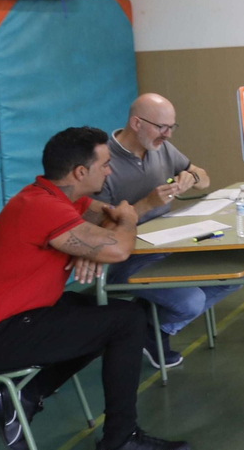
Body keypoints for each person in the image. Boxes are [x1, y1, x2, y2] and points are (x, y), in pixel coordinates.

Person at [0, 127, 190, 450]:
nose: (109, 172)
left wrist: (92, 245)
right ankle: (119, 444)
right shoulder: (41, 208)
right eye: (105, 165)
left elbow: (105, 220)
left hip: (18, 319)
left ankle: (27, 393)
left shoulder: (60, 200)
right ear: (80, 172)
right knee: (125, 322)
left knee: (103, 314)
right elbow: (120, 245)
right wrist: (124, 224)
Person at [94, 93, 225, 370]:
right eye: (161, 127)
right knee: (192, 301)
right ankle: (151, 328)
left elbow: (203, 176)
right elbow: (100, 231)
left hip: (168, 244)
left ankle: (150, 328)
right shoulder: (103, 161)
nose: (167, 135)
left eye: (171, 128)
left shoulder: (160, 147)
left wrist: (193, 177)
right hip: (128, 255)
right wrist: (147, 204)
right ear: (136, 123)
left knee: (234, 272)